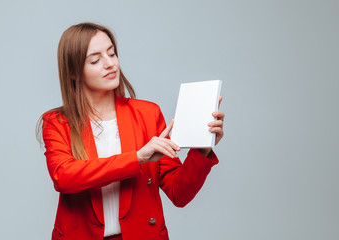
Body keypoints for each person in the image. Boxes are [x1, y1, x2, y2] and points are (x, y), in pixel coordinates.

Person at [37, 22, 225, 240]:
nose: (110, 64)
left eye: (112, 54)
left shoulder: (148, 114)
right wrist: (136, 159)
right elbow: (64, 177)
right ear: (73, 72)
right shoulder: (57, 122)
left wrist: (202, 148)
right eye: (96, 60)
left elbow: (179, 193)